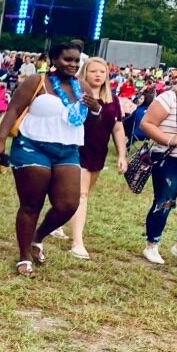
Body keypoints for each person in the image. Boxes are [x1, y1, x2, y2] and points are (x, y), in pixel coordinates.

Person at [0, 42, 99, 276]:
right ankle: (23, 256)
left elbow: (92, 124)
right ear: (53, 59)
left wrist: (96, 108)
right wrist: (0, 141)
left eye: (76, 61)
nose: (73, 65)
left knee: (68, 204)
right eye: (67, 60)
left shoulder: (83, 87)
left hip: (68, 151)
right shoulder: (37, 82)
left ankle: (37, 238)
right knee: (31, 204)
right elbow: (13, 109)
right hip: (32, 146)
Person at [63, 57, 127, 260]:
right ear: (85, 72)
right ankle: (77, 242)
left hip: (98, 153)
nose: (98, 75)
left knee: (79, 195)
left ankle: (58, 222)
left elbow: (117, 128)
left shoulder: (112, 100)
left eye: (102, 71)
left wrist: (122, 155)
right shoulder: (77, 95)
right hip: (77, 149)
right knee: (81, 195)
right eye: (93, 71)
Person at [139, 76, 177, 264]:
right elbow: (146, 123)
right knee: (165, 201)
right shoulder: (169, 98)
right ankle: (152, 244)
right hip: (170, 158)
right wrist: (169, 139)